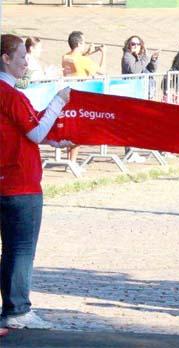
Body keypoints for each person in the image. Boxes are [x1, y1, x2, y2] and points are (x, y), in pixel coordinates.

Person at [0, 34, 71, 330]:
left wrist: (54, 139)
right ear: (5, 57)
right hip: (19, 182)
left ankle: (13, 309)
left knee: (11, 250)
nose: (25, 61)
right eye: (20, 56)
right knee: (20, 249)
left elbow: (23, 130)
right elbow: (35, 132)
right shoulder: (11, 95)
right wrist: (59, 100)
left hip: (8, 179)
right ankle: (17, 310)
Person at [62, 31, 105, 165]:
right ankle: (73, 163)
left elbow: (77, 61)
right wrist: (104, 54)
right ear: (80, 43)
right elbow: (102, 70)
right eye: (84, 42)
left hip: (67, 96)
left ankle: (69, 161)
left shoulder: (65, 57)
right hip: (80, 96)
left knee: (69, 130)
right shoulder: (84, 60)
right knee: (77, 132)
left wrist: (87, 53)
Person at [121, 35, 159, 162]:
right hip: (131, 93)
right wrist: (146, 58)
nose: (135, 46)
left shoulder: (140, 57)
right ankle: (130, 152)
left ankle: (137, 149)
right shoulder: (127, 56)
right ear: (128, 45)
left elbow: (150, 70)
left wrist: (153, 60)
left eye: (138, 44)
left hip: (141, 92)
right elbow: (135, 70)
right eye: (133, 44)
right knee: (130, 124)